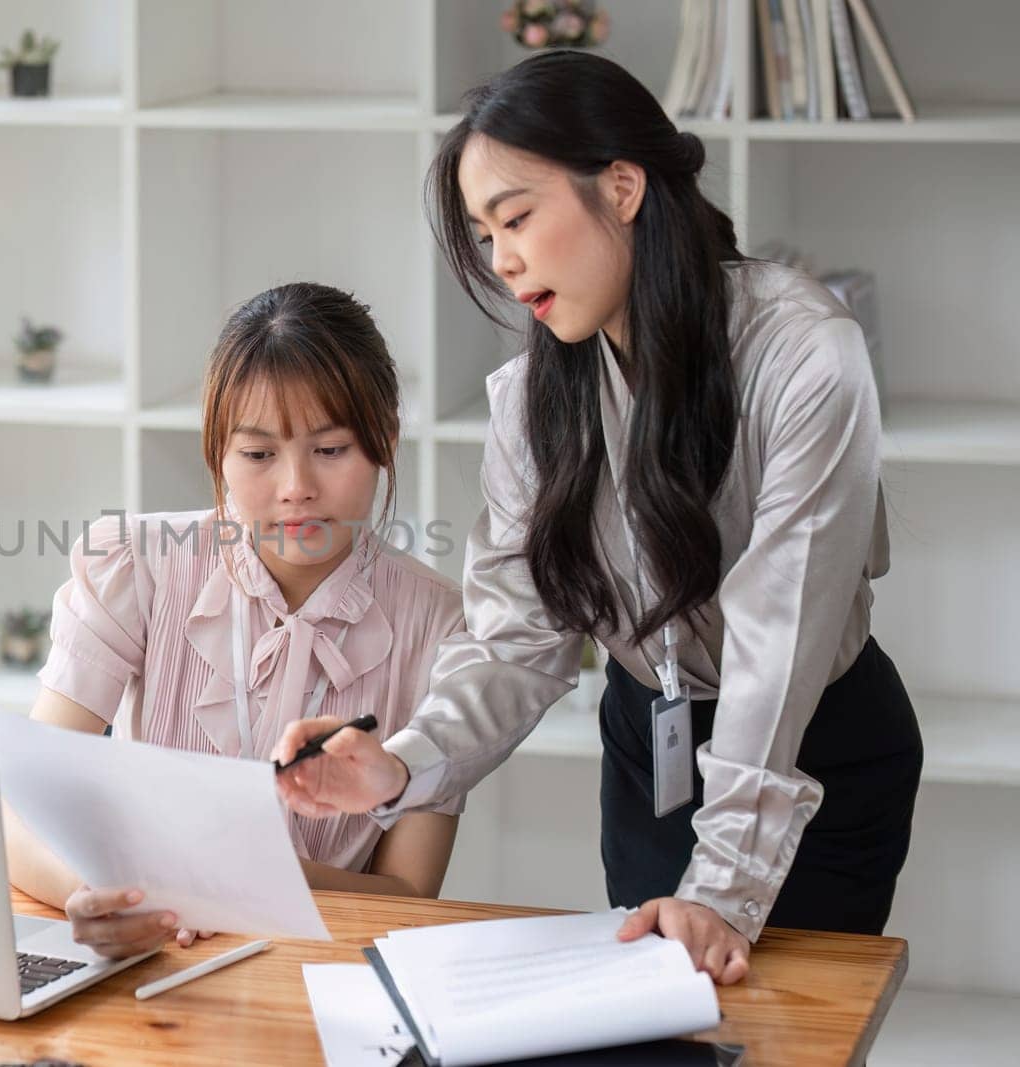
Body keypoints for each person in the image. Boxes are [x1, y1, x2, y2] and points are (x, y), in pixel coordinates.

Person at [274, 51, 923, 986]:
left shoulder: (807, 355)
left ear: (622, 186)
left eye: (518, 217)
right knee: (658, 1028)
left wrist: (723, 888)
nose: (501, 260)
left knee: (785, 1031)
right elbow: (514, 637)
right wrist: (403, 765)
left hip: (810, 746)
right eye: (483, 233)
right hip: (649, 743)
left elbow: (778, 644)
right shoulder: (532, 396)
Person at [5, 282, 467, 959]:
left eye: (331, 449)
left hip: (319, 969)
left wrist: (230, 887)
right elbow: (16, 805)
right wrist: (99, 893)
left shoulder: (439, 622)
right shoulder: (135, 564)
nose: (294, 487)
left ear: (384, 441)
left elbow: (410, 891)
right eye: (257, 455)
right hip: (150, 951)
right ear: (217, 451)